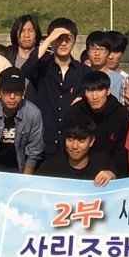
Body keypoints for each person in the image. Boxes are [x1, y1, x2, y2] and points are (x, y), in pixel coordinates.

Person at [25, 19, 86, 155]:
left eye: (67, 39)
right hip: (43, 143)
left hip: (72, 144)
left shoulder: (84, 72)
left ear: (74, 40)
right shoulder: (42, 68)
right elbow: (26, 69)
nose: (63, 43)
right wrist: (48, 40)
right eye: (58, 39)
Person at [0, 69, 44, 174]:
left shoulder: (33, 114)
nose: (12, 97)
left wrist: (24, 179)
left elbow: (34, 151)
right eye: (7, 92)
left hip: (19, 167)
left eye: (17, 92)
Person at [37, 117, 117, 184]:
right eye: (70, 140)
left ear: (91, 141)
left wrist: (111, 176)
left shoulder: (103, 164)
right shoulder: (50, 168)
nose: (74, 146)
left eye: (81, 141)